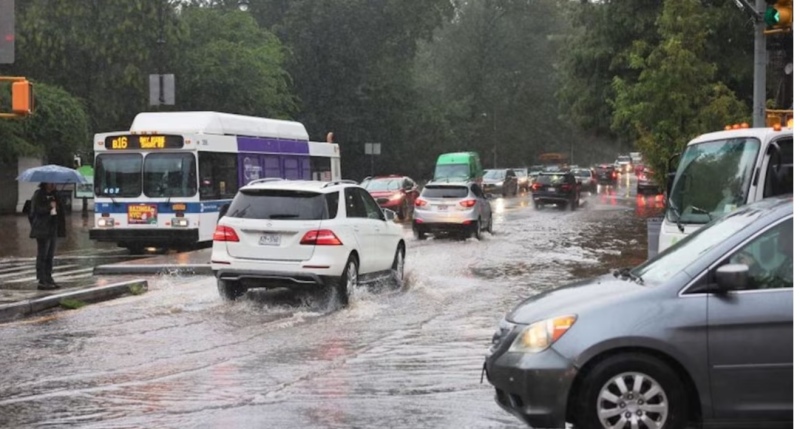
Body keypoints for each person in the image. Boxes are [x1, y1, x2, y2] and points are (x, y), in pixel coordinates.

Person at [29, 183, 66, 290]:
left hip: (53, 228)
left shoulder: (55, 195)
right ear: (45, 183)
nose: (53, 184)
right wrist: (49, 206)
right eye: (50, 183)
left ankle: (49, 277)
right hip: (42, 229)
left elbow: (60, 211)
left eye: (54, 183)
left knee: (50, 255)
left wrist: (57, 203)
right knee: (43, 255)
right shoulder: (39, 195)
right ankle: (42, 279)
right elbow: (37, 210)